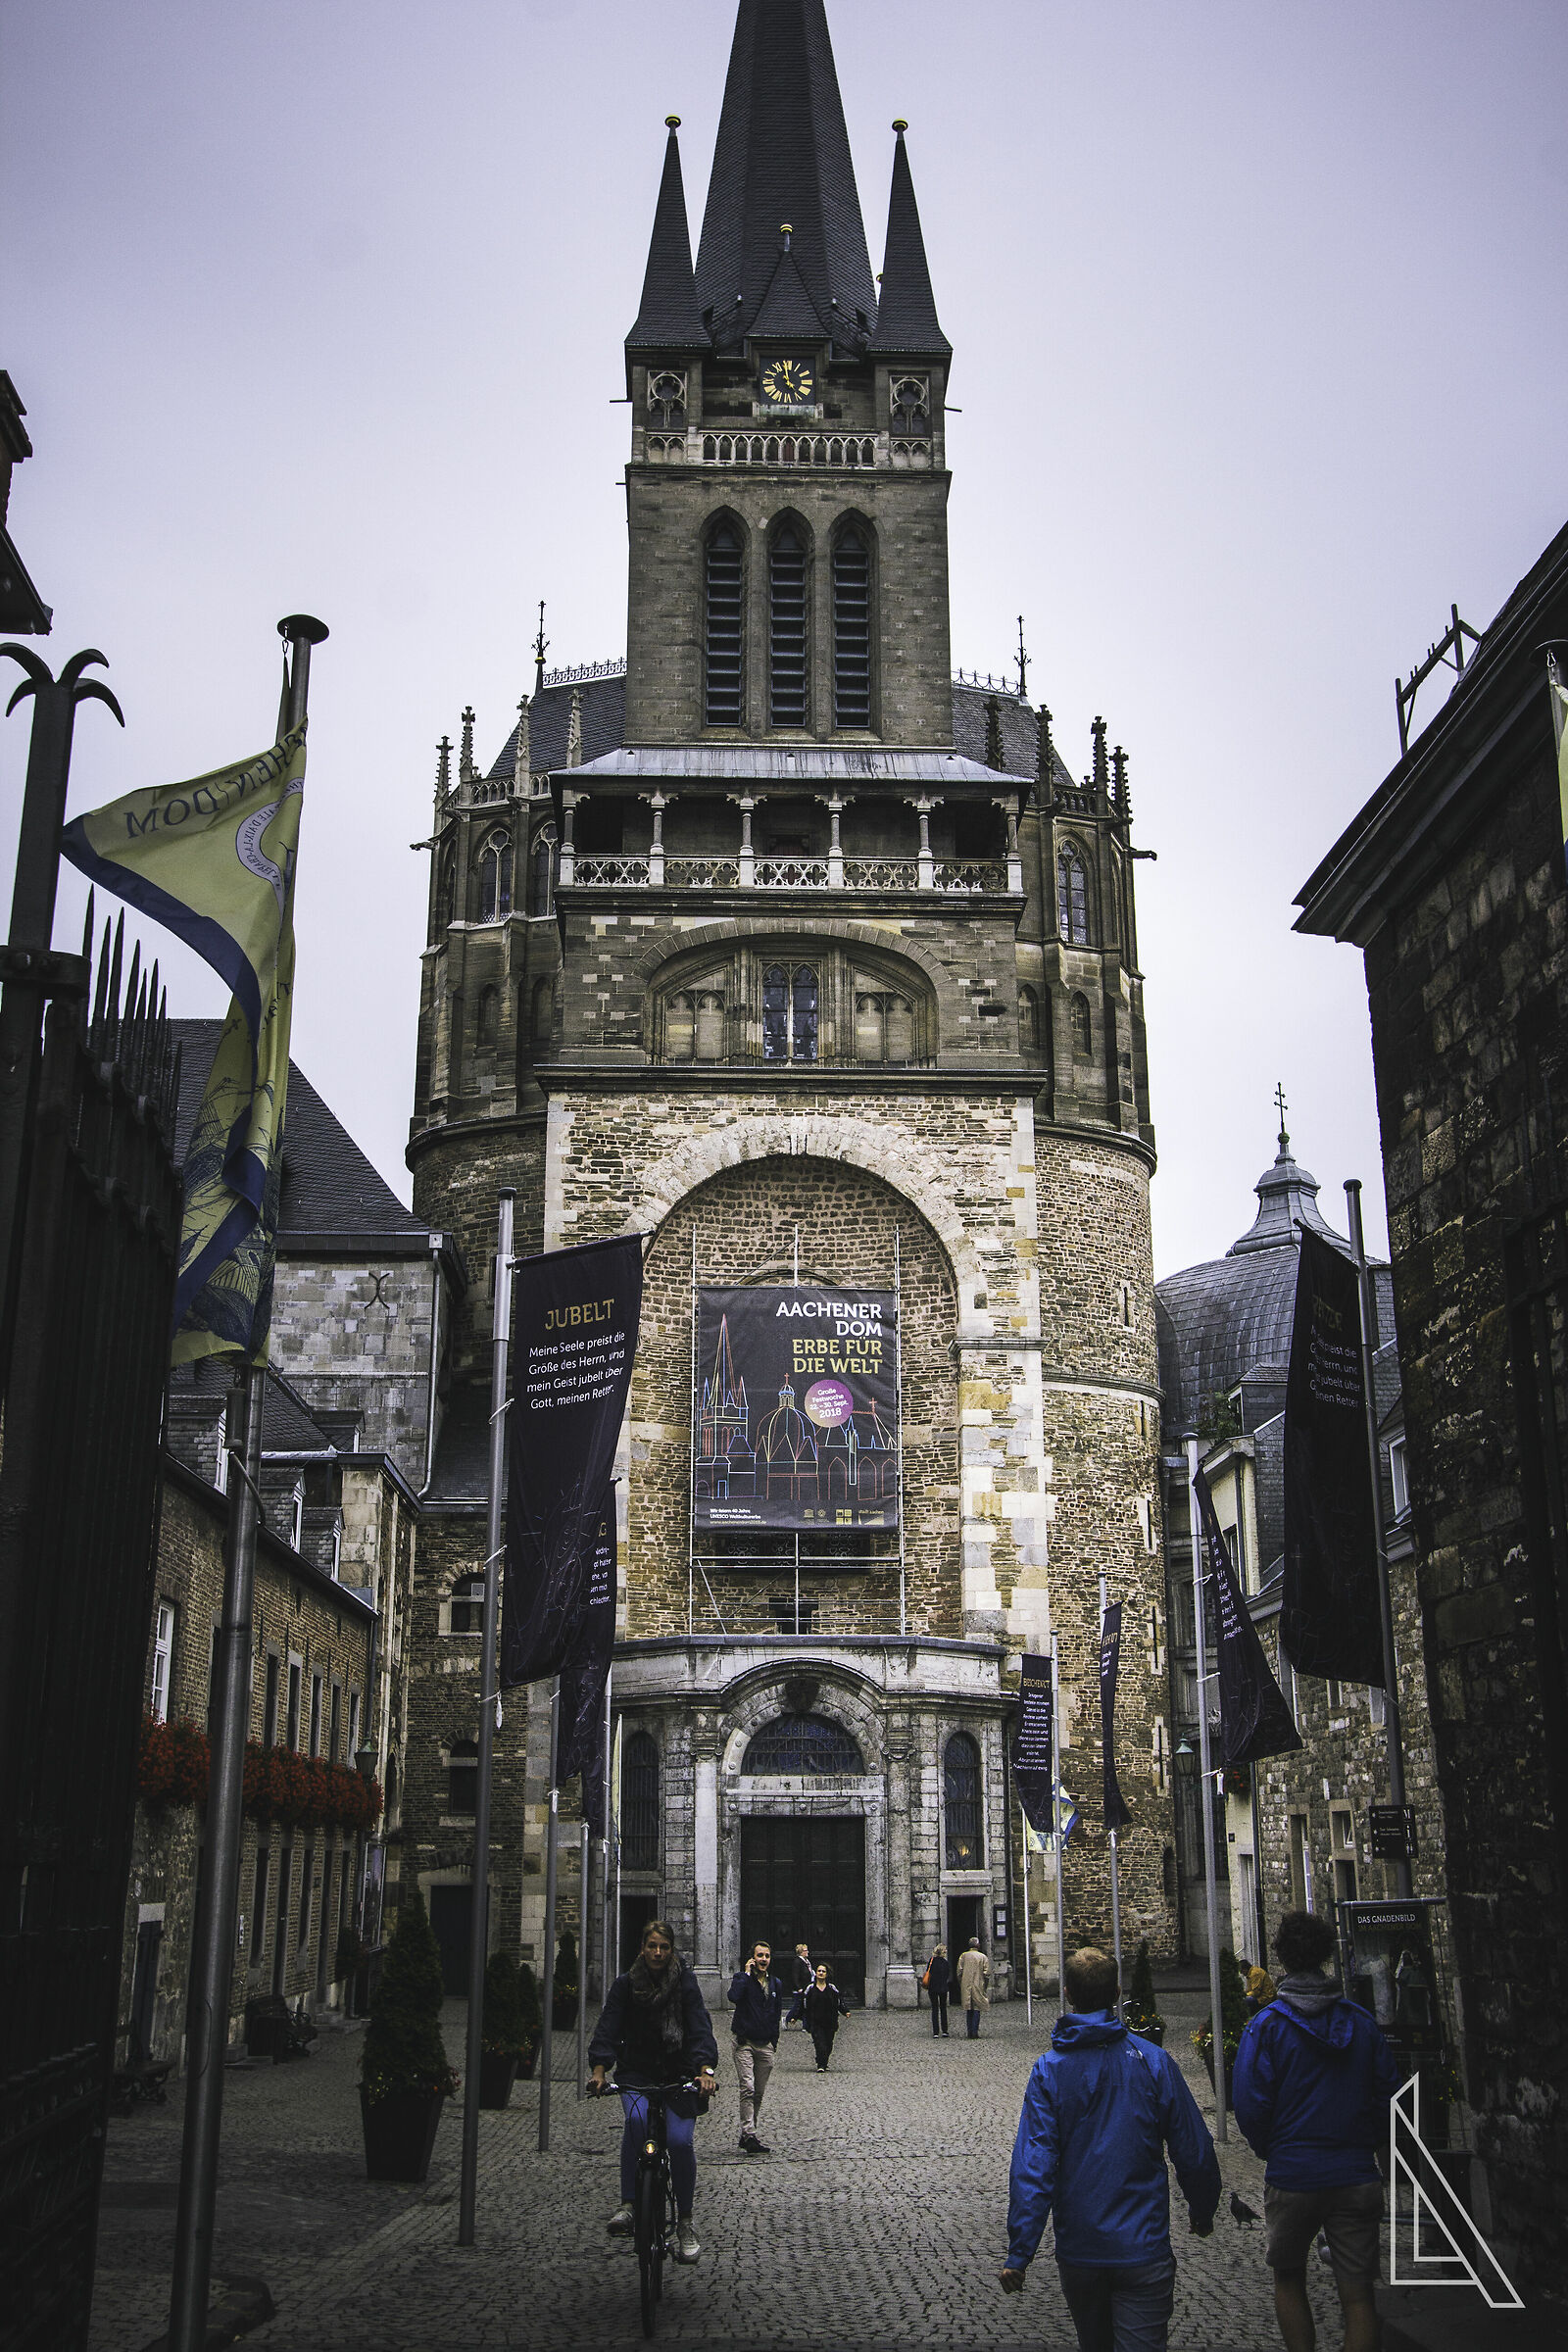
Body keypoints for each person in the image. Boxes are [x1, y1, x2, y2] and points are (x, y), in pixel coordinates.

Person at [1001, 1944, 1220, 2352]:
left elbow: (1035, 2164)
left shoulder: (1049, 2070)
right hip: (1143, 2244)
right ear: (1117, 1992)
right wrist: (1202, 2210)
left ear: (1067, 1993)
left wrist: (1020, 2252)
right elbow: (1194, 2147)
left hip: (1081, 2249)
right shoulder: (1152, 2061)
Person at [1233, 1909, 1400, 2352]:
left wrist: (1275, 2148)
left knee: (1289, 2279)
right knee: (1358, 2291)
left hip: (1294, 2174)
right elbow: (1389, 2094)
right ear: (1326, 1955)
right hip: (1354, 2171)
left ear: (1283, 1958)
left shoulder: (1266, 2027)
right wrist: (1365, 2141)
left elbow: (1249, 2103)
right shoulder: (1361, 2023)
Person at [588, 1918, 717, 2266]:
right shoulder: (626, 1985)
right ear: (642, 1948)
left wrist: (704, 2071)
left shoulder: (685, 1983)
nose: (658, 1953)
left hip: (678, 2075)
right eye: (652, 1946)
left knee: (679, 2142)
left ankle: (686, 2221)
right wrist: (600, 2070)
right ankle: (629, 2204)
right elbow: (608, 2027)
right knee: (636, 2120)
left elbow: (699, 2027)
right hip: (637, 2072)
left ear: (671, 1950)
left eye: (664, 1947)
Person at [726, 1938, 783, 2154]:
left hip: (765, 2043)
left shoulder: (776, 1983)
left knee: (758, 2092)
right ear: (752, 1958)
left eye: (767, 1956)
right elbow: (734, 1997)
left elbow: (776, 2013)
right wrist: (745, 1974)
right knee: (747, 2088)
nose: (764, 1960)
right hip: (744, 2042)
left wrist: (774, 2040)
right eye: (760, 1956)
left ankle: (747, 2133)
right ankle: (749, 2134)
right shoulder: (742, 1979)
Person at [803, 1960, 848, 2071]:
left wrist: (845, 2011)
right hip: (815, 2021)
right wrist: (795, 2016)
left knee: (828, 2043)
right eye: (819, 1971)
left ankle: (824, 2061)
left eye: (823, 1971)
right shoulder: (810, 1989)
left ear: (827, 1974)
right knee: (819, 2043)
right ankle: (821, 2065)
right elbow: (803, 2004)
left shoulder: (832, 1988)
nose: (821, 1973)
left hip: (829, 2021)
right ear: (816, 1973)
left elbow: (839, 2002)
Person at [956, 1936, 990, 2037]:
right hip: (978, 1983)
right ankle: (974, 2031)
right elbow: (987, 1973)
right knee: (976, 2007)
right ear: (978, 1945)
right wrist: (985, 1985)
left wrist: (961, 1983)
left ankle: (969, 2031)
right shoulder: (982, 1957)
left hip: (966, 1983)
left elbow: (959, 1972)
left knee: (968, 2008)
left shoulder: (963, 1956)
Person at [923, 1942, 952, 2037]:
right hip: (943, 1988)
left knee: (934, 2009)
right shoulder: (945, 1963)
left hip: (933, 1988)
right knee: (943, 2009)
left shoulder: (931, 1962)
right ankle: (944, 2030)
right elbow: (948, 1975)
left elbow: (928, 1973)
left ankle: (936, 2032)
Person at [785, 1939, 812, 2027]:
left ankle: (805, 2025)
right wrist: (798, 1987)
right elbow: (795, 1976)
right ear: (801, 1952)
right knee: (797, 2007)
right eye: (805, 1950)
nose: (807, 1952)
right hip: (800, 1989)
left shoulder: (806, 1961)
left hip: (806, 1987)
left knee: (804, 2006)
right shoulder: (797, 1962)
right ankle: (787, 2018)